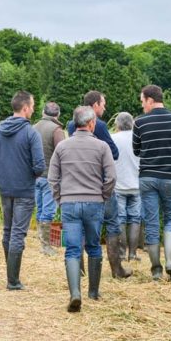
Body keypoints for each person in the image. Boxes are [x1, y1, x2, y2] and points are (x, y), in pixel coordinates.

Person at [48, 105, 115, 312]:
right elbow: (111, 177)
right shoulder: (102, 146)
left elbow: (52, 178)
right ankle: (93, 292)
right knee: (94, 246)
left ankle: (75, 293)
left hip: (69, 203)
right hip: (94, 202)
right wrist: (103, 196)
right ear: (91, 123)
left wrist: (60, 198)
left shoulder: (62, 147)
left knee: (72, 249)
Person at [0, 90, 45, 291]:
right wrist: (25, 173)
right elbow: (39, 166)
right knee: (18, 233)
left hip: (5, 187)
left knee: (8, 230)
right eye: (33, 105)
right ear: (25, 108)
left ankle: (11, 276)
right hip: (24, 189)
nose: (34, 109)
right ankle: (13, 281)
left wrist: (6, 170)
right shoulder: (30, 133)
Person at [70, 91, 130, 279]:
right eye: (103, 103)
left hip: (77, 183)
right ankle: (116, 269)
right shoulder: (100, 126)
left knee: (79, 226)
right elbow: (114, 153)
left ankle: (79, 268)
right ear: (95, 105)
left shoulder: (71, 125)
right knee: (113, 223)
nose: (104, 107)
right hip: (99, 182)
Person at [132, 85, 171, 281]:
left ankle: (156, 269)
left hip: (147, 177)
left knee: (152, 222)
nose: (142, 106)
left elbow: (137, 150)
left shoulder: (139, 123)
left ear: (150, 100)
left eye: (142, 101)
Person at [32, 101, 65, 256]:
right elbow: (63, 154)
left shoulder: (33, 127)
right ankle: (45, 246)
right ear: (57, 114)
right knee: (48, 211)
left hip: (34, 176)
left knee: (40, 208)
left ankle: (41, 240)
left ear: (43, 112)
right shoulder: (56, 130)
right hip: (50, 177)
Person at [111, 112, 142, 262]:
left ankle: (122, 254)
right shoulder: (139, 138)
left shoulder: (112, 138)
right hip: (137, 184)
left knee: (120, 219)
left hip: (118, 186)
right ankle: (133, 254)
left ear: (117, 124)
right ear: (132, 123)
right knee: (135, 219)